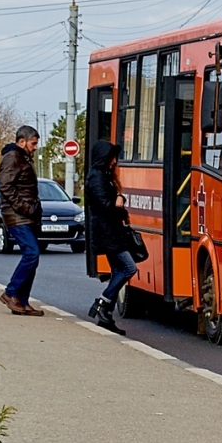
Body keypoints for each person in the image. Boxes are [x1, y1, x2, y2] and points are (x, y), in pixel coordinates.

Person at [85, 139, 136, 336]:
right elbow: (105, 206)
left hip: (110, 230)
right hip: (108, 232)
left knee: (118, 272)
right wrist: (119, 201)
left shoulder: (102, 175)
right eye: (111, 157)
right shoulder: (97, 177)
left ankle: (106, 316)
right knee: (129, 268)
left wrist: (119, 203)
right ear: (102, 157)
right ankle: (102, 302)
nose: (114, 161)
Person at [0, 125, 44, 316]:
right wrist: (24, 207)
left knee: (32, 257)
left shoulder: (23, 157)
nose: (35, 147)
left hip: (27, 216)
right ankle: (11, 293)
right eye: (33, 143)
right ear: (22, 141)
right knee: (32, 254)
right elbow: (5, 186)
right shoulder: (12, 157)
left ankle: (22, 302)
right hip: (17, 216)